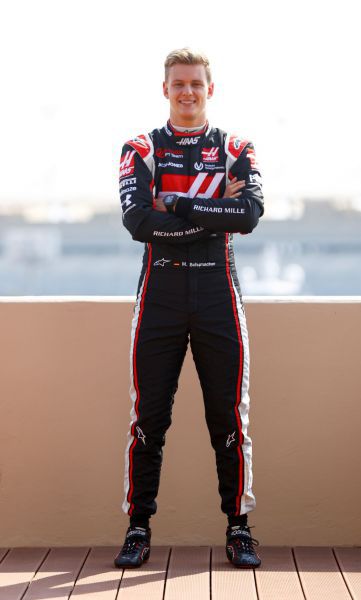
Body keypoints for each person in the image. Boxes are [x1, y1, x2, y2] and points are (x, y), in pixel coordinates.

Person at [114, 48, 264, 569]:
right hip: (160, 293)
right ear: (165, 90)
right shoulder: (140, 149)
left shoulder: (236, 148)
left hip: (219, 292)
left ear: (210, 89)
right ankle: (137, 526)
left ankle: (239, 528)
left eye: (196, 84)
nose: (187, 92)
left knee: (229, 418)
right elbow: (139, 223)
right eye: (178, 84)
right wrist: (214, 213)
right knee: (148, 418)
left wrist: (176, 205)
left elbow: (248, 215)